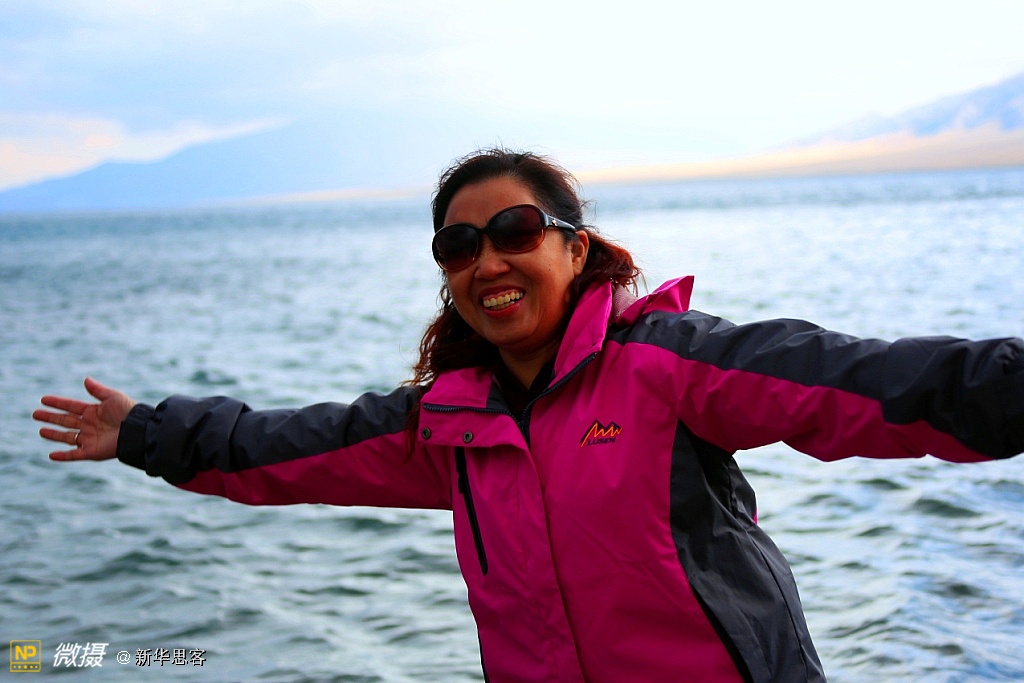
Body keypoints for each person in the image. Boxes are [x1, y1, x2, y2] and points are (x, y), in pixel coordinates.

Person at [35, 148, 1024, 683]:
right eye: (458, 245)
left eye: (514, 230)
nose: (488, 260)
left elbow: (867, 382)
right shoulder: (449, 425)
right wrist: (146, 432)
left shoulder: (666, 364)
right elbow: (292, 446)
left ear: (574, 248)